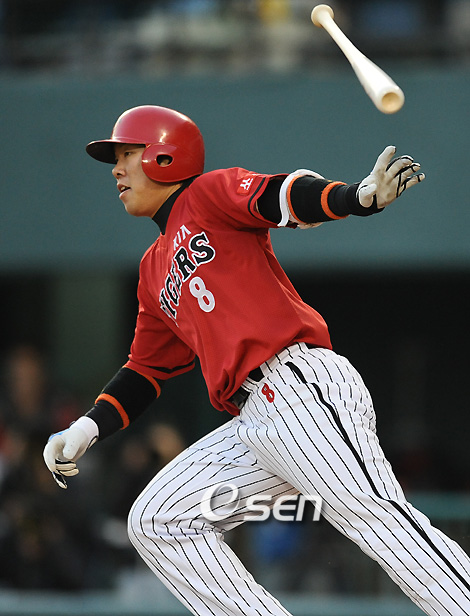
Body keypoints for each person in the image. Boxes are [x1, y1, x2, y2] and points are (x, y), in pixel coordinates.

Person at [43, 105, 470, 615]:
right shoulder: (152, 270)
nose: (116, 169)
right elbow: (144, 370)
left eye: (126, 155)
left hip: (297, 387)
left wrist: (354, 198)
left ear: (163, 156)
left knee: (376, 520)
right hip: (255, 422)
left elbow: (281, 195)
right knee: (159, 520)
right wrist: (86, 428)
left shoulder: (206, 195)